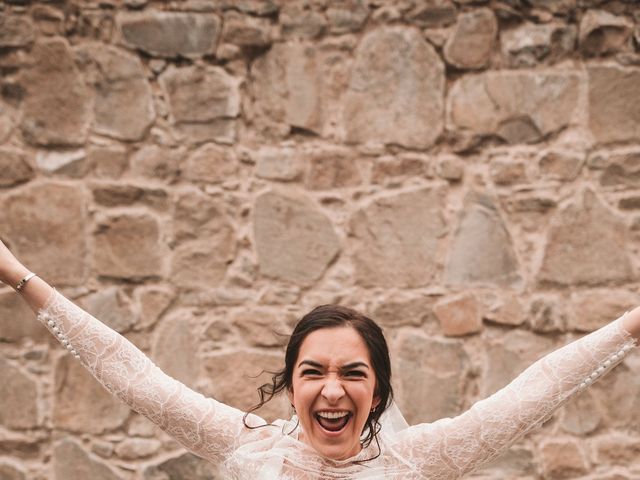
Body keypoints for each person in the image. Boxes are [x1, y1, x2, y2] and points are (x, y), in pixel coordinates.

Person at [1, 237, 639, 479]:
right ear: (291, 385)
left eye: (352, 373)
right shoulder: (244, 446)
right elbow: (133, 375)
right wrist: (17, 275)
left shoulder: (421, 458)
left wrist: (630, 327)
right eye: (315, 371)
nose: (332, 389)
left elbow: (536, 390)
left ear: (379, 392)